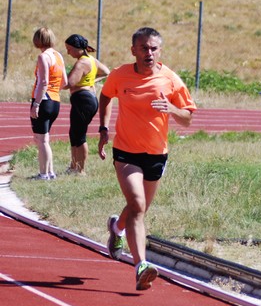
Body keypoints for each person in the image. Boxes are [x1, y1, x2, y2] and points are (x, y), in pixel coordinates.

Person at [97, 27, 196, 291]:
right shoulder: (120, 75)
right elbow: (106, 95)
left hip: (156, 154)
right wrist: (104, 128)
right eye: (143, 48)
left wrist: (173, 108)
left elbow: (188, 118)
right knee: (137, 205)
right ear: (133, 51)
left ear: (159, 50)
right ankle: (141, 266)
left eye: (153, 48)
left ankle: (116, 228)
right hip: (126, 152)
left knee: (137, 209)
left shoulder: (170, 79)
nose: (148, 53)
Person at [64, 34, 110, 174]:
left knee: (80, 135)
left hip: (83, 100)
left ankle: (80, 170)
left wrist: (52, 82)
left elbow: (69, 83)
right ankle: (74, 166)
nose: (68, 52)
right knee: (74, 133)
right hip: (86, 99)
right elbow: (106, 72)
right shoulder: (92, 60)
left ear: (78, 48)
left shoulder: (82, 63)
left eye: (69, 49)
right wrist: (91, 82)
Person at [30, 27, 67, 180]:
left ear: (38, 40)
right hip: (55, 100)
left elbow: (43, 81)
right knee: (44, 138)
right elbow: (64, 82)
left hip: (44, 100)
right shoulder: (58, 56)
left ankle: (44, 174)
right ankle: (50, 172)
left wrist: (36, 104)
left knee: (41, 140)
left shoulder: (43, 57)